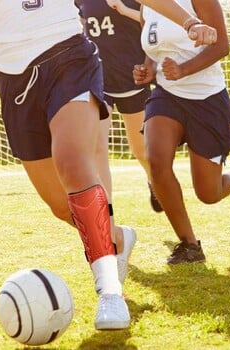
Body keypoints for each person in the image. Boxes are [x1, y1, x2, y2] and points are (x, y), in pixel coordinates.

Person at [0, 0, 218, 330]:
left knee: (73, 162)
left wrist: (189, 22)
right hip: (13, 79)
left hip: (68, 57)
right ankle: (116, 237)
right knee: (62, 206)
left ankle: (110, 292)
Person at [133, 0, 230, 264]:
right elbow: (154, 51)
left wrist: (184, 70)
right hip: (167, 94)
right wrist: (149, 69)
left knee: (208, 193)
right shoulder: (148, 5)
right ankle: (190, 245)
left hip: (206, 99)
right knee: (156, 162)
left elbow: (222, 46)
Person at [75, 0, 163, 213]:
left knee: (140, 149)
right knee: (97, 148)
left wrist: (125, 10)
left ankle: (154, 182)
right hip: (98, 80)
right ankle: (106, 215)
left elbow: (154, 23)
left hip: (132, 78)